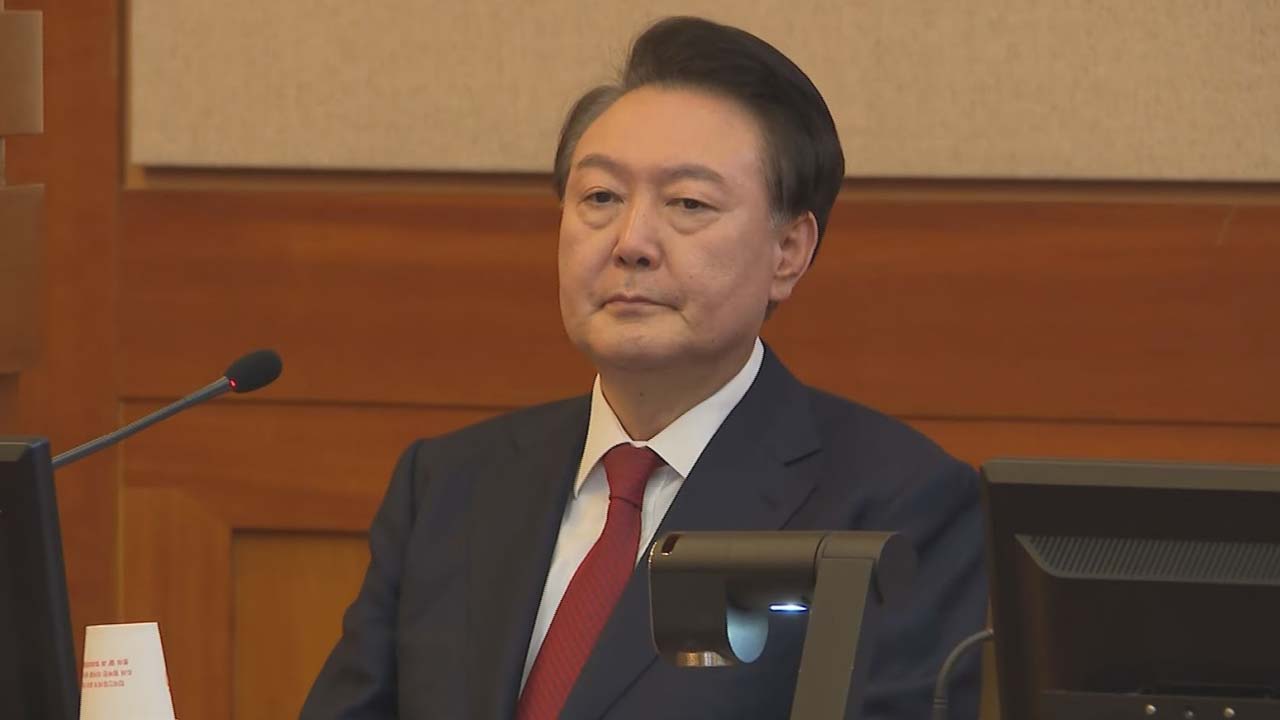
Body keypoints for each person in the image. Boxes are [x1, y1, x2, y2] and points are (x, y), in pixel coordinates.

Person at [301, 16, 986, 720]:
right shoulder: (448, 485)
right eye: (600, 198)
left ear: (788, 251)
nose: (631, 242)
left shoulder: (897, 506)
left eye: (688, 203)